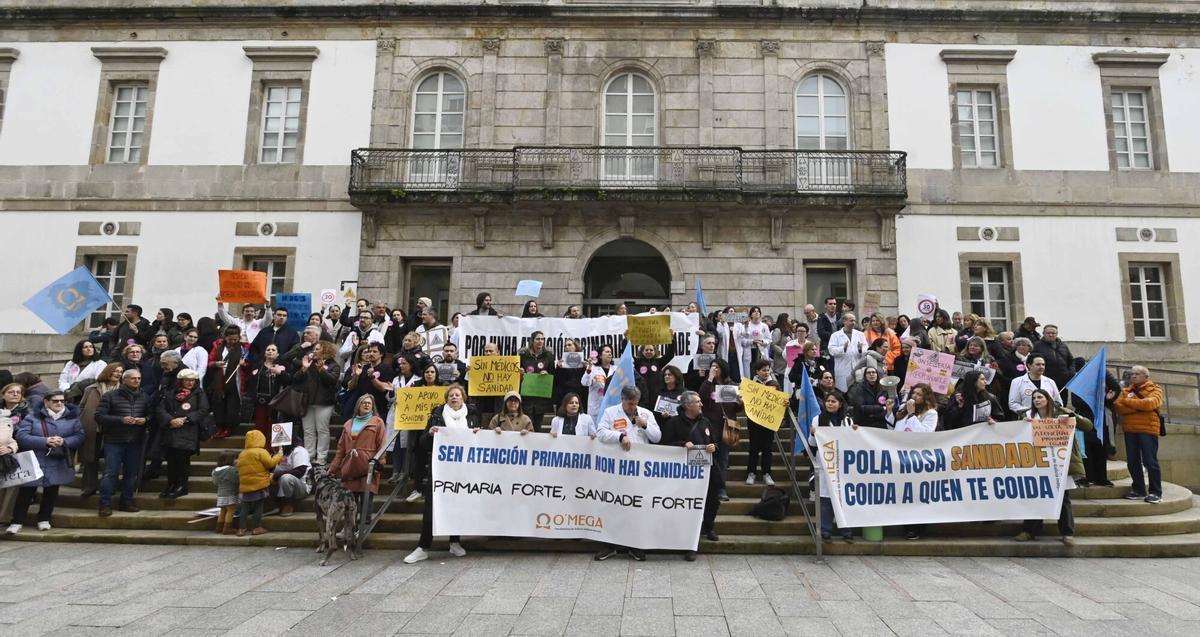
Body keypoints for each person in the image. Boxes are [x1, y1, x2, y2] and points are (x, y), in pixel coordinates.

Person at [405, 384, 478, 564]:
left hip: (463, 470)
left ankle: (454, 542)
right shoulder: (437, 416)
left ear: (463, 398)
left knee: (457, 506)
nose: (454, 398)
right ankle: (423, 547)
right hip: (439, 471)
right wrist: (429, 434)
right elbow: (422, 444)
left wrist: (478, 434)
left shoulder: (472, 416)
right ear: (447, 399)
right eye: (451, 395)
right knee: (432, 508)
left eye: (457, 395)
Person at [1014, 389, 1092, 545]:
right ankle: (1029, 530)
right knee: (1035, 496)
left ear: (1048, 399)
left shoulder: (1061, 414)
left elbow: (1087, 426)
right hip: (1037, 463)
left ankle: (1067, 533)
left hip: (1060, 464)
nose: (1037, 400)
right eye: (1034, 398)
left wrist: (1072, 416)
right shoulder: (1027, 416)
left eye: (1040, 397)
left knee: (1063, 499)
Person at [593, 385, 661, 561]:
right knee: (613, 504)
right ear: (622, 400)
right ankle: (610, 545)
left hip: (639, 470)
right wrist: (619, 437)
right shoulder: (610, 412)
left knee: (636, 506)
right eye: (629, 403)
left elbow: (657, 437)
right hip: (616, 468)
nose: (632, 407)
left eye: (635, 403)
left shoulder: (646, 413)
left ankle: (634, 545)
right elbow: (600, 433)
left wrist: (645, 425)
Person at [6, 391, 84, 534]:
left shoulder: (72, 418)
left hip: (57, 459)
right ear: (46, 402)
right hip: (36, 458)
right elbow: (22, 436)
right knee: (26, 491)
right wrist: (45, 441)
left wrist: (64, 441)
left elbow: (79, 436)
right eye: (55, 401)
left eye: (62, 400)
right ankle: (16, 521)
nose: (59, 403)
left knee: (52, 490)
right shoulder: (32, 417)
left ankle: (44, 519)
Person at [667, 390, 720, 560]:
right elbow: (664, 444)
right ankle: (689, 541)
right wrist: (681, 444)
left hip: (706, 470)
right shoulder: (674, 423)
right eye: (698, 402)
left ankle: (708, 527)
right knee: (689, 505)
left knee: (712, 500)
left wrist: (714, 447)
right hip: (683, 474)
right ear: (687, 405)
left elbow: (715, 441)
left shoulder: (706, 422)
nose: (701, 404)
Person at [95, 368, 150, 517]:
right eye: (133, 378)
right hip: (114, 440)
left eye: (138, 378)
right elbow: (99, 416)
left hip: (135, 440)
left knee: (131, 474)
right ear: (124, 380)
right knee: (110, 473)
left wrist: (145, 420)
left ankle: (126, 501)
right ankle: (104, 504)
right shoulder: (110, 396)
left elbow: (151, 415)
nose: (136, 381)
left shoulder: (144, 396)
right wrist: (120, 420)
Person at [889, 382, 938, 540]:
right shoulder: (904, 411)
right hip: (902, 458)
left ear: (926, 398)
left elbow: (924, 433)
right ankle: (906, 525)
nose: (915, 397)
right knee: (905, 494)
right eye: (913, 393)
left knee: (917, 495)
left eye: (919, 395)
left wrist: (912, 415)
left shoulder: (930, 413)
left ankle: (917, 528)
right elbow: (895, 430)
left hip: (919, 460)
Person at [154, 369, 208, 499]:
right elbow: (161, 409)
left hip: (188, 431)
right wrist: (170, 420)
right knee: (171, 460)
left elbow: (203, 409)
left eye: (192, 380)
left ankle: (182, 486)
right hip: (171, 430)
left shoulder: (199, 394)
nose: (190, 383)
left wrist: (186, 419)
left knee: (182, 460)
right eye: (187, 380)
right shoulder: (171, 393)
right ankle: (171, 484)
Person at [1113, 366, 1164, 504]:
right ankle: (1139, 489)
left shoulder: (1155, 389)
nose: (1133, 376)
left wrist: (1128, 403)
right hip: (1130, 429)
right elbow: (1118, 406)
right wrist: (1139, 407)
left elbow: (1150, 403)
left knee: (1150, 461)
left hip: (1148, 429)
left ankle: (1155, 492)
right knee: (1133, 461)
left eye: (1137, 374)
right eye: (1132, 374)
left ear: (1146, 377)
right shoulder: (1126, 390)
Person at [329, 394, 388, 511]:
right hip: (350, 466)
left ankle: (364, 527)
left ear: (372, 406)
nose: (366, 404)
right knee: (350, 504)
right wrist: (333, 468)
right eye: (364, 402)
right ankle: (351, 528)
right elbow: (341, 449)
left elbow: (382, 444)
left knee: (366, 502)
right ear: (358, 406)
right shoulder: (348, 424)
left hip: (368, 465)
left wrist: (380, 462)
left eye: (369, 403)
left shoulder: (378, 422)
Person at [811, 392, 854, 542]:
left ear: (840, 404)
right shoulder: (818, 419)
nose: (830, 403)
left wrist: (856, 432)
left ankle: (846, 531)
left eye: (833, 401)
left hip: (843, 465)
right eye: (828, 401)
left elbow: (852, 442)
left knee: (843, 499)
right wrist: (812, 434)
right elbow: (812, 443)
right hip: (826, 464)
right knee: (825, 500)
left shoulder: (848, 421)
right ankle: (825, 530)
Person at [76, 362, 122, 497]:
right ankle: (89, 487)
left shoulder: (123, 389)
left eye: (120, 371)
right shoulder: (91, 389)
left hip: (114, 429)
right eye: (115, 371)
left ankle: (110, 486)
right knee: (90, 458)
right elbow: (82, 407)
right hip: (93, 428)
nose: (118, 373)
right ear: (108, 372)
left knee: (112, 459)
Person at [698, 359, 738, 502]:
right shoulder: (708, 384)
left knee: (722, 459)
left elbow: (736, 409)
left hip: (725, 428)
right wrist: (709, 379)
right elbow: (701, 397)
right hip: (710, 427)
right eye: (712, 366)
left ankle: (721, 489)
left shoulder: (731, 385)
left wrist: (740, 402)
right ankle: (706, 488)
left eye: (717, 367)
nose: (714, 369)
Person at [297, 341, 340, 465]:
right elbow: (297, 379)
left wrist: (322, 370)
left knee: (322, 430)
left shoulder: (334, 365)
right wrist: (303, 369)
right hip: (308, 401)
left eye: (317, 349)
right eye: (314, 349)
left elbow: (332, 381)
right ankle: (309, 455)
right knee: (308, 430)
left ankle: (322, 456)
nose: (314, 351)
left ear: (325, 351)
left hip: (324, 402)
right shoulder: (309, 363)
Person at [236, 429, 282, 536]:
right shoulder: (261, 452)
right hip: (259, 484)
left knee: (245, 507)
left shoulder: (242, 453)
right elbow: (270, 464)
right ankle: (256, 527)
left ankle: (241, 529)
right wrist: (279, 455)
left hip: (245, 485)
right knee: (258, 506)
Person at [206, 325, 246, 439]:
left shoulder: (243, 348)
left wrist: (244, 363)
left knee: (232, 407)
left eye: (235, 339)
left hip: (235, 381)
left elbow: (248, 362)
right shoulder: (218, 347)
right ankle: (219, 428)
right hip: (219, 380)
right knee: (218, 405)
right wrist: (215, 364)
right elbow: (210, 361)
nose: (232, 342)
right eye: (230, 339)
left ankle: (229, 428)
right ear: (225, 337)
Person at [745, 359, 780, 487]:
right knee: (754, 448)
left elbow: (780, 402)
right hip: (754, 422)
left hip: (769, 422)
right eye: (763, 370)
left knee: (767, 449)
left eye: (768, 370)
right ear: (757, 371)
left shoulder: (774, 384)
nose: (766, 372)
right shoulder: (750, 385)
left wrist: (785, 403)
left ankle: (766, 473)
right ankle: (751, 473)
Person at [248, 344, 291, 440]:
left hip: (277, 402)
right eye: (268, 349)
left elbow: (289, 380)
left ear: (277, 354)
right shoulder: (258, 365)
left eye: (273, 350)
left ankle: (276, 451)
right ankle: (260, 448)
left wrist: (280, 373)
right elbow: (251, 383)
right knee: (260, 425)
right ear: (264, 353)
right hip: (260, 401)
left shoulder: (283, 365)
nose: (270, 351)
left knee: (276, 425)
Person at [518, 331, 555, 432]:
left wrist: (547, 373)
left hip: (541, 397)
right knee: (527, 425)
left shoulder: (549, 356)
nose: (540, 341)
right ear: (532, 341)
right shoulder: (523, 355)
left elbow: (553, 374)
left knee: (538, 426)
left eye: (542, 339)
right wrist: (520, 372)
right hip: (527, 396)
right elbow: (517, 371)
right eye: (538, 339)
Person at [828, 313, 866, 393]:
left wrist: (860, 350)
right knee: (843, 392)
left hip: (857, 367)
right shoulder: (835, 335)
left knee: (858, 391)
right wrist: (843, 348)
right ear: (844, 321)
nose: (853, 323)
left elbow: (866, 348)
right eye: (851, 321)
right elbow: (831, 350)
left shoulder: (860, 334)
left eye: (854, 321)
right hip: (843, 368)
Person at [270, 444, 310, 517]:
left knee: (286, 478)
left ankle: (287, 504)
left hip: (301, 486)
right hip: (280, 485)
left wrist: (276, 476)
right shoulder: (278, 451)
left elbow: (300, 472)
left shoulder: (299, 451)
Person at [581, 344, 616, 416]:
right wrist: (589, 368)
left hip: (612, 407)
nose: (609, 354)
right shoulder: (593, 368)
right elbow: (584, 383)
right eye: (607, 352)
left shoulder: (616, 369)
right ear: (600, 355)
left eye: (610, 352)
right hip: (596, 409)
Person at [211, 450, 240, 534]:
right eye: (236, 458)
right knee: (231, 510)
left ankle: (219, 527)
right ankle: (227, 528)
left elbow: (215, 482)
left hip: (221, 493)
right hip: (230, 493)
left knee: (223, 510)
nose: (238, 460)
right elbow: (236, 480)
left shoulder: (215, 471)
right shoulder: (231, 470)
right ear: (230, 460)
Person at [715, 306, 747, 382]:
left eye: (733, 311)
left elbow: (744, 334)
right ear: (726, 313)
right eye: (730, 311)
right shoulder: (721, 324)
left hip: (736, 351)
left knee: (736, 371)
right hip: (726, 351)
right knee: (727, 370)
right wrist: (722, 325)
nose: (732, 313)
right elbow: (720, 335)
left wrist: (746, 325)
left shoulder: (739, 324)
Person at [552, 338, 586, 407]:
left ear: (576, 347)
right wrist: (558, 369)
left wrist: (586, 368)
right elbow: (556, 381)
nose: (567, 347)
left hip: (580, 396)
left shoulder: (583, 362)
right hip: (564, 396)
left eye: (569, 345)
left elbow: (586, 381)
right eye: (565, 346)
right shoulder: (561, 362)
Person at [770, 313, 794, 386]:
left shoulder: (789, 331)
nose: (790, 320)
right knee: (781, 379)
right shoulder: (778, 330)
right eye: (788, 318)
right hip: (781, 360)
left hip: (789, 360)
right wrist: (783, 352)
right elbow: (773, 344)